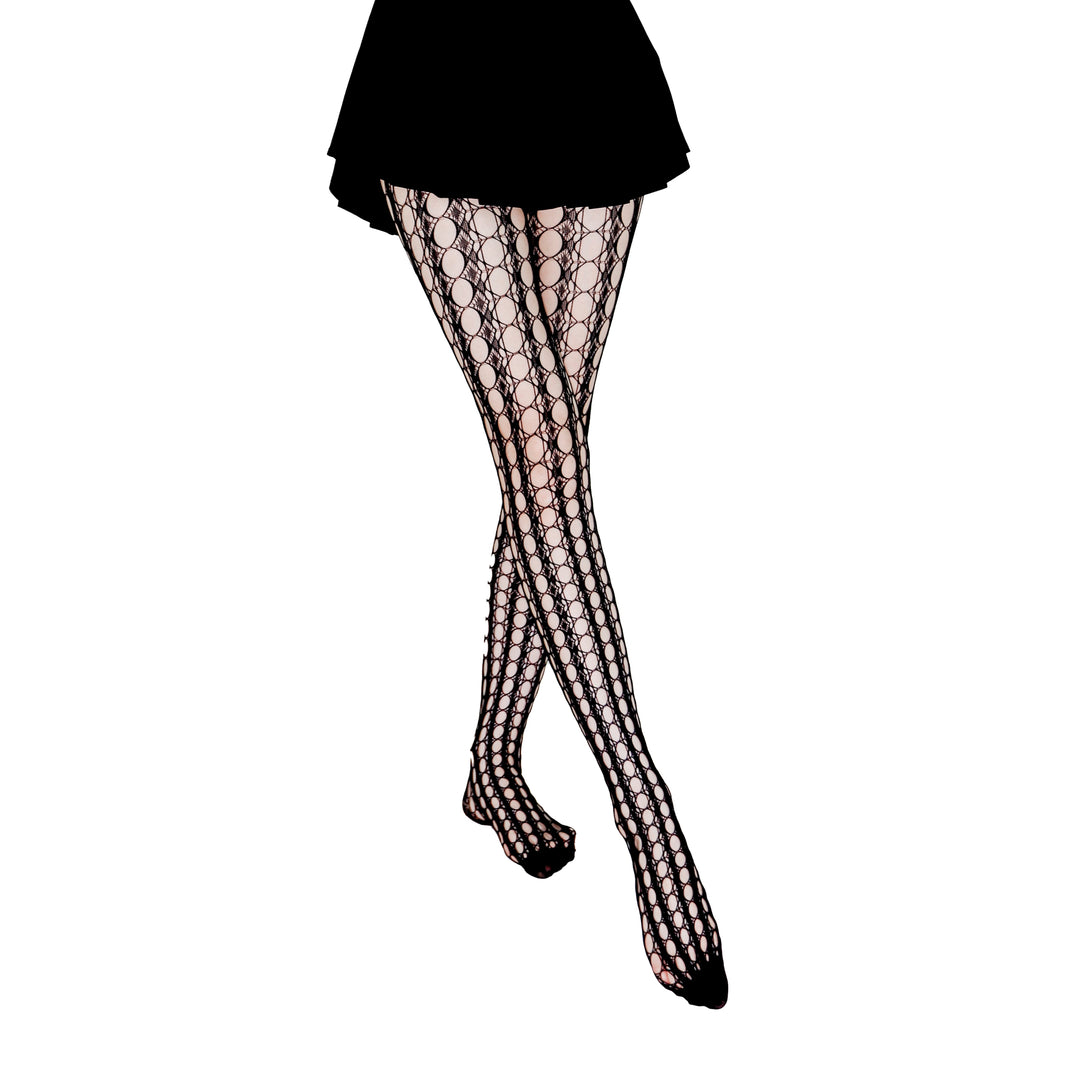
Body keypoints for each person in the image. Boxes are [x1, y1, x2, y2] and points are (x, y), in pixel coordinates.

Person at [327, 0, 727, 1010]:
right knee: (543, 456)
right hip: (434, 64)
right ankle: (651, 821)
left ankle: (493, 762)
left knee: (548, 465)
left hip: (587, 60)